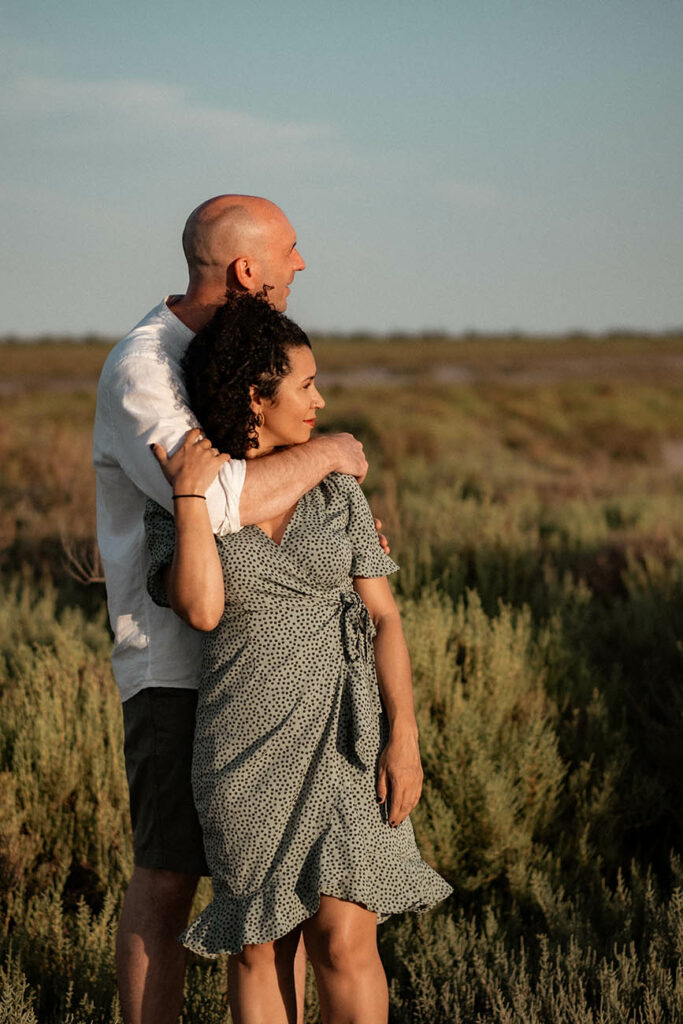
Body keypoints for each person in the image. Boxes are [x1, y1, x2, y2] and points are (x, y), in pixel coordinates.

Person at [93, 195, 379, 1024]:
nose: (301, 264)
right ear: (247, 269)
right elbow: (220, 501)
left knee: (281, 902)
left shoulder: (227, 354)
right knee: (169, 875)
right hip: (178, 668)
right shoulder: (146, 368)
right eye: (290, 250)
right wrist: (327, 454)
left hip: (279, 673)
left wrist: (331, 518)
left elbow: (261, 485)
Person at [144, 293, 452, 1024]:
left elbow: (384, 617)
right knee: (260, 946)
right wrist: (189, 499)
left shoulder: (335, 489)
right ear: (256, 395)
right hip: (243, 745)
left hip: (347, 735)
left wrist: (403, 735)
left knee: (344, 939)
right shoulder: (191, 491)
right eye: (305, 385)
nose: (320, 401)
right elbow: (201, 609)